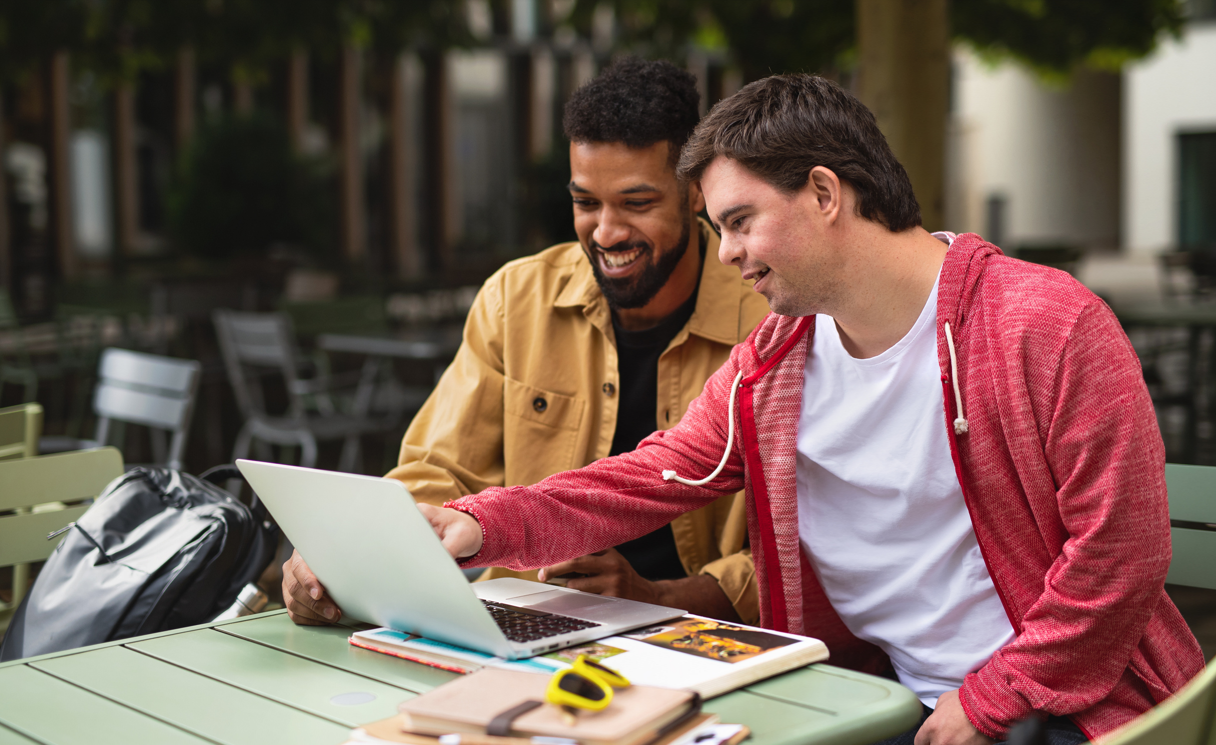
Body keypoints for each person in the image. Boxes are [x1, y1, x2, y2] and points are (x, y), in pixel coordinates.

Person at [379, 74, 1205, 744]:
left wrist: (992, 698)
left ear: (822, 193)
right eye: (716, 226)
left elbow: (1120, 554)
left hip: (1064, 707)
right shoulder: (777, 361)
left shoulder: (1044, 323)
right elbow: (646, 476)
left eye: (740, 222)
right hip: (873, 700)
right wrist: (478, 523)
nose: (727, 252)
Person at [283, 59, 768, 626]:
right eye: (586, 203)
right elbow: (436, 471)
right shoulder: (516, 299)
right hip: (511, 627)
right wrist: (349, 559)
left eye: (637, 204)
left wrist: (659, 599)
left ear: (696, 193)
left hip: (701, 641)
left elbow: (804, 549)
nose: (606, 232)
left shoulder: (769, 320)